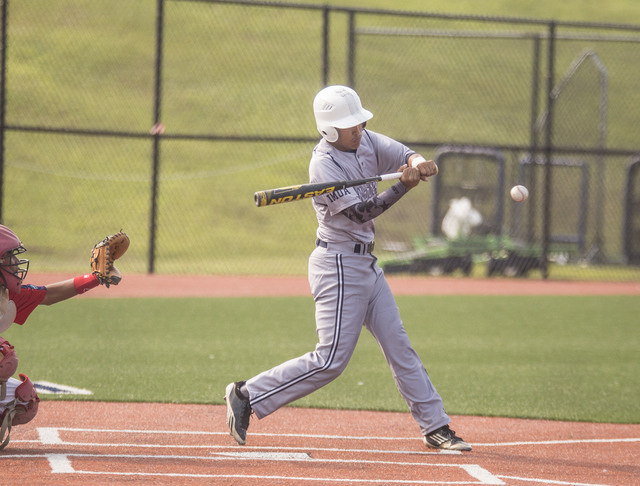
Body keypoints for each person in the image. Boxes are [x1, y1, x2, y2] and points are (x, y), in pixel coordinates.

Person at [225, 85, 471, 451]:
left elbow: (402, 152)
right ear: (328, 130)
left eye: (358, 121)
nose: (358, 128)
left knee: (399, 346)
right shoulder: (323, 164)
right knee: (330, 361)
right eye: (349, 124)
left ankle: (435, 426)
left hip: (366, 263)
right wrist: (401, 188)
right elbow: (360, 214)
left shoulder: (366, 139)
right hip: (338, 264)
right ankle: (247, 395)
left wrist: (418, 162)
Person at [0, 225, 121, 450]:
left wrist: (95, 278)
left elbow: (48, 294)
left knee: (24, 400)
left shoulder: (8, 294)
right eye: (8, 257)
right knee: (2, 357)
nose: (15, 263)